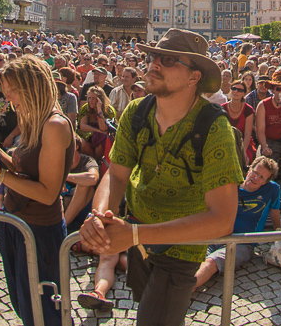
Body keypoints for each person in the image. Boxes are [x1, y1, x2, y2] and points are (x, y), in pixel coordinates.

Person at [79, 28, 242, 326]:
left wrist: (135, 235)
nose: (153, 64)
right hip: (138, 239)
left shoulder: (214, 127)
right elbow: (116, 175)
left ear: (194, 77)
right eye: (153, 56)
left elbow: (222, 219)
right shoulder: (136, 112)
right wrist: (101, 216)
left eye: (167, 59)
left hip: (181, 247)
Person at [0, 55, 73, 326]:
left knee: (45, 313)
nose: (9, 96)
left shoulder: (54, 125)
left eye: (13, 90)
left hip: (39, 230)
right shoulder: (31, 118)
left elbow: (47, 192)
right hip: (15, 220)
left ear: (31, 86)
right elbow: (23, 168)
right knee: (23, 305)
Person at [193, 156, 281, 289]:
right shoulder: (230, 185)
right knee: (193, 260)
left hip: (242, 242)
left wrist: (279, 236)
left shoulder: (272, 190)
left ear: (266, 182)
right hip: (215, 236)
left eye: (262, 177)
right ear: (249, 168)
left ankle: (184, 292)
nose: (256, 178)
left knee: (210, 263)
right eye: (255, 172)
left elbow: (275, 212)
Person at [223, 78, 256, 167]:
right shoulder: (222, 109)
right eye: (234, 89)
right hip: (226, 142)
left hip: (244, 142)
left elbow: (247, 134)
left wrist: (243, 151)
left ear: (244, 93)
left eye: (240, 90)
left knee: (245, 158)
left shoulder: (248, 110)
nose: (236, 92)